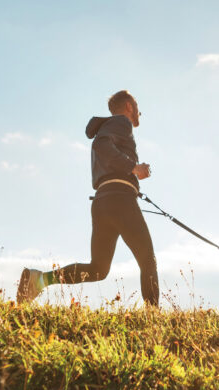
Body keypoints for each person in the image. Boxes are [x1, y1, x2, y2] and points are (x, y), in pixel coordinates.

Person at [15, 90, 160, 307]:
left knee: (98, 269)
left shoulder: (110, 126)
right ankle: (153, 319)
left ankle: (39, 279)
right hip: (120, 199)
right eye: (137, 106)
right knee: (147, 260)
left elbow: (104, 148)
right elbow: (101, 145)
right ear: (129, 106)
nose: (139, 112)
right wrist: (133, 168)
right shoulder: (122, 122)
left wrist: (133, 173)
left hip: (103, 201)